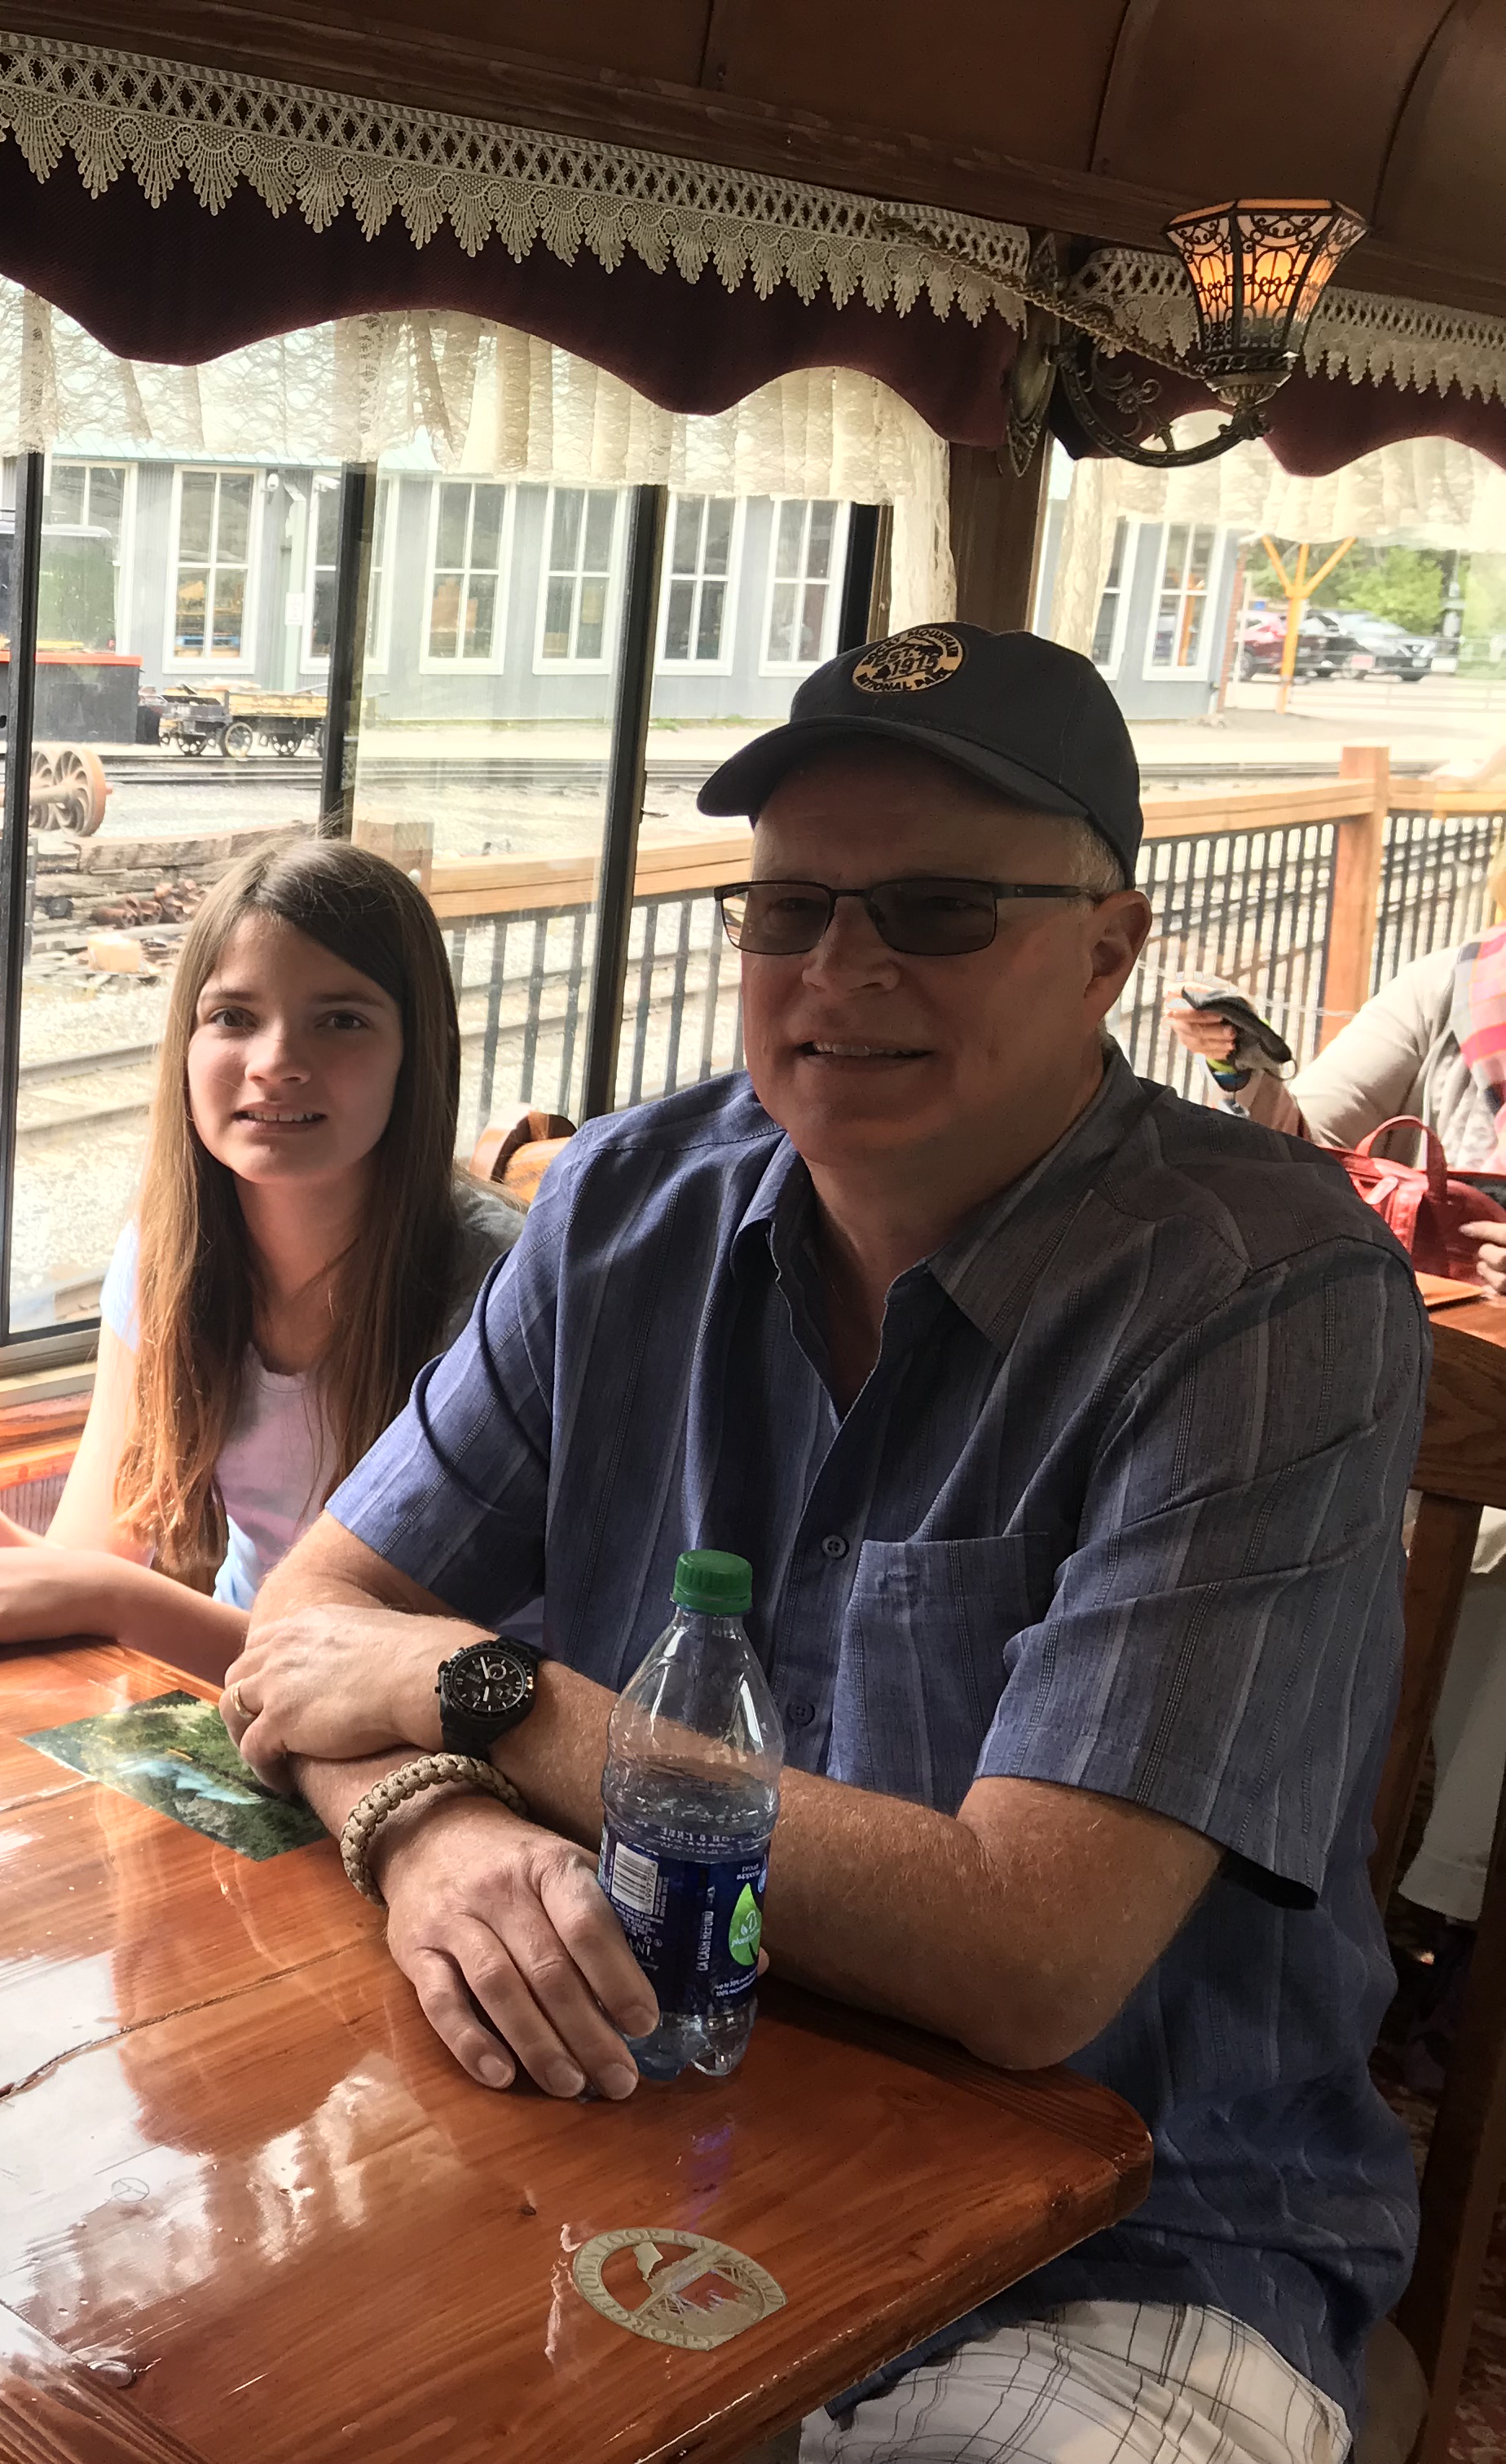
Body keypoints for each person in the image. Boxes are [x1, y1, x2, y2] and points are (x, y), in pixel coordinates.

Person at [222, 625, 1420, 2464]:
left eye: (938, 910)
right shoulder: (626, 1205)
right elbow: (312, 1622)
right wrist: (427, 1822)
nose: (841, 970)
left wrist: (489, 1697)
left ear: (1109, 949)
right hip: (638, 2116)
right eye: (788, 910)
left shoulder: (1261, 1294)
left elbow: (1030, 1958)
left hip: (1129, 2231)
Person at [0, 836, 523, 1681]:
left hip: (429, 1734)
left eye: (342, 1021)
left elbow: (377, 1676)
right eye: (233, 1017)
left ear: (418, 1051)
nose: (275, 1063)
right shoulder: (169, 1250)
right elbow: (94, 1554)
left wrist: (112, 1597)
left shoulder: (500, 1295)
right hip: (246, 1705)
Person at [1169, 900, 1506, 1968]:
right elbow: (1299, 1151)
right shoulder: (1457, 986)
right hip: (1426, 1393)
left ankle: (1448, 1923)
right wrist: (1244, 1070)